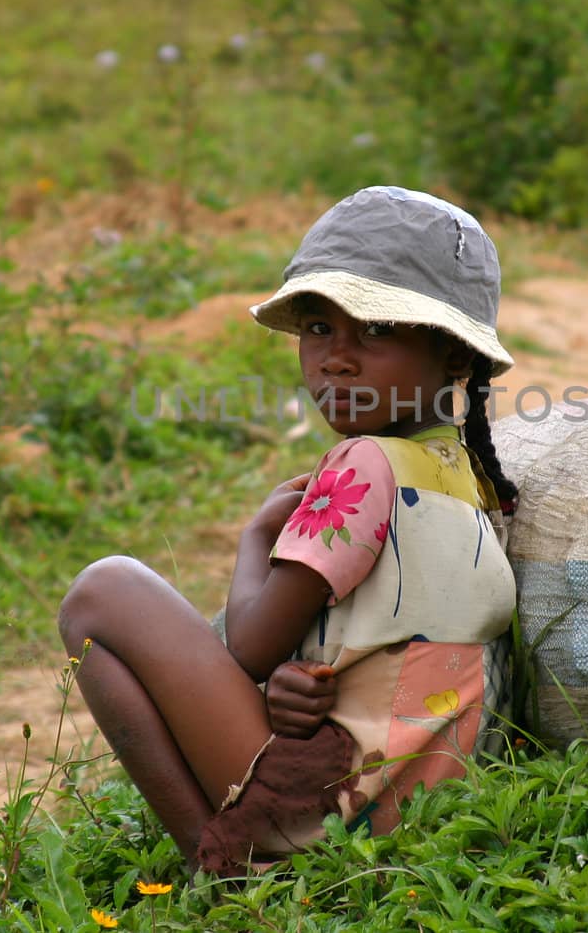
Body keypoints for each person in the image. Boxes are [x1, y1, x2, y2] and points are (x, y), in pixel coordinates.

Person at [57, 186, 520, 875]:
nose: (336, 358)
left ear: (455, 356)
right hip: (417, 809)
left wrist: (253, 542)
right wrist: (286, 684)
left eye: (377, 330)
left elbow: (247, 646)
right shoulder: (470, 477)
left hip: (323, 805)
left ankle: (216, 858)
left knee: (103, 593)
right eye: (316, 328)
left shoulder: (364, 466)